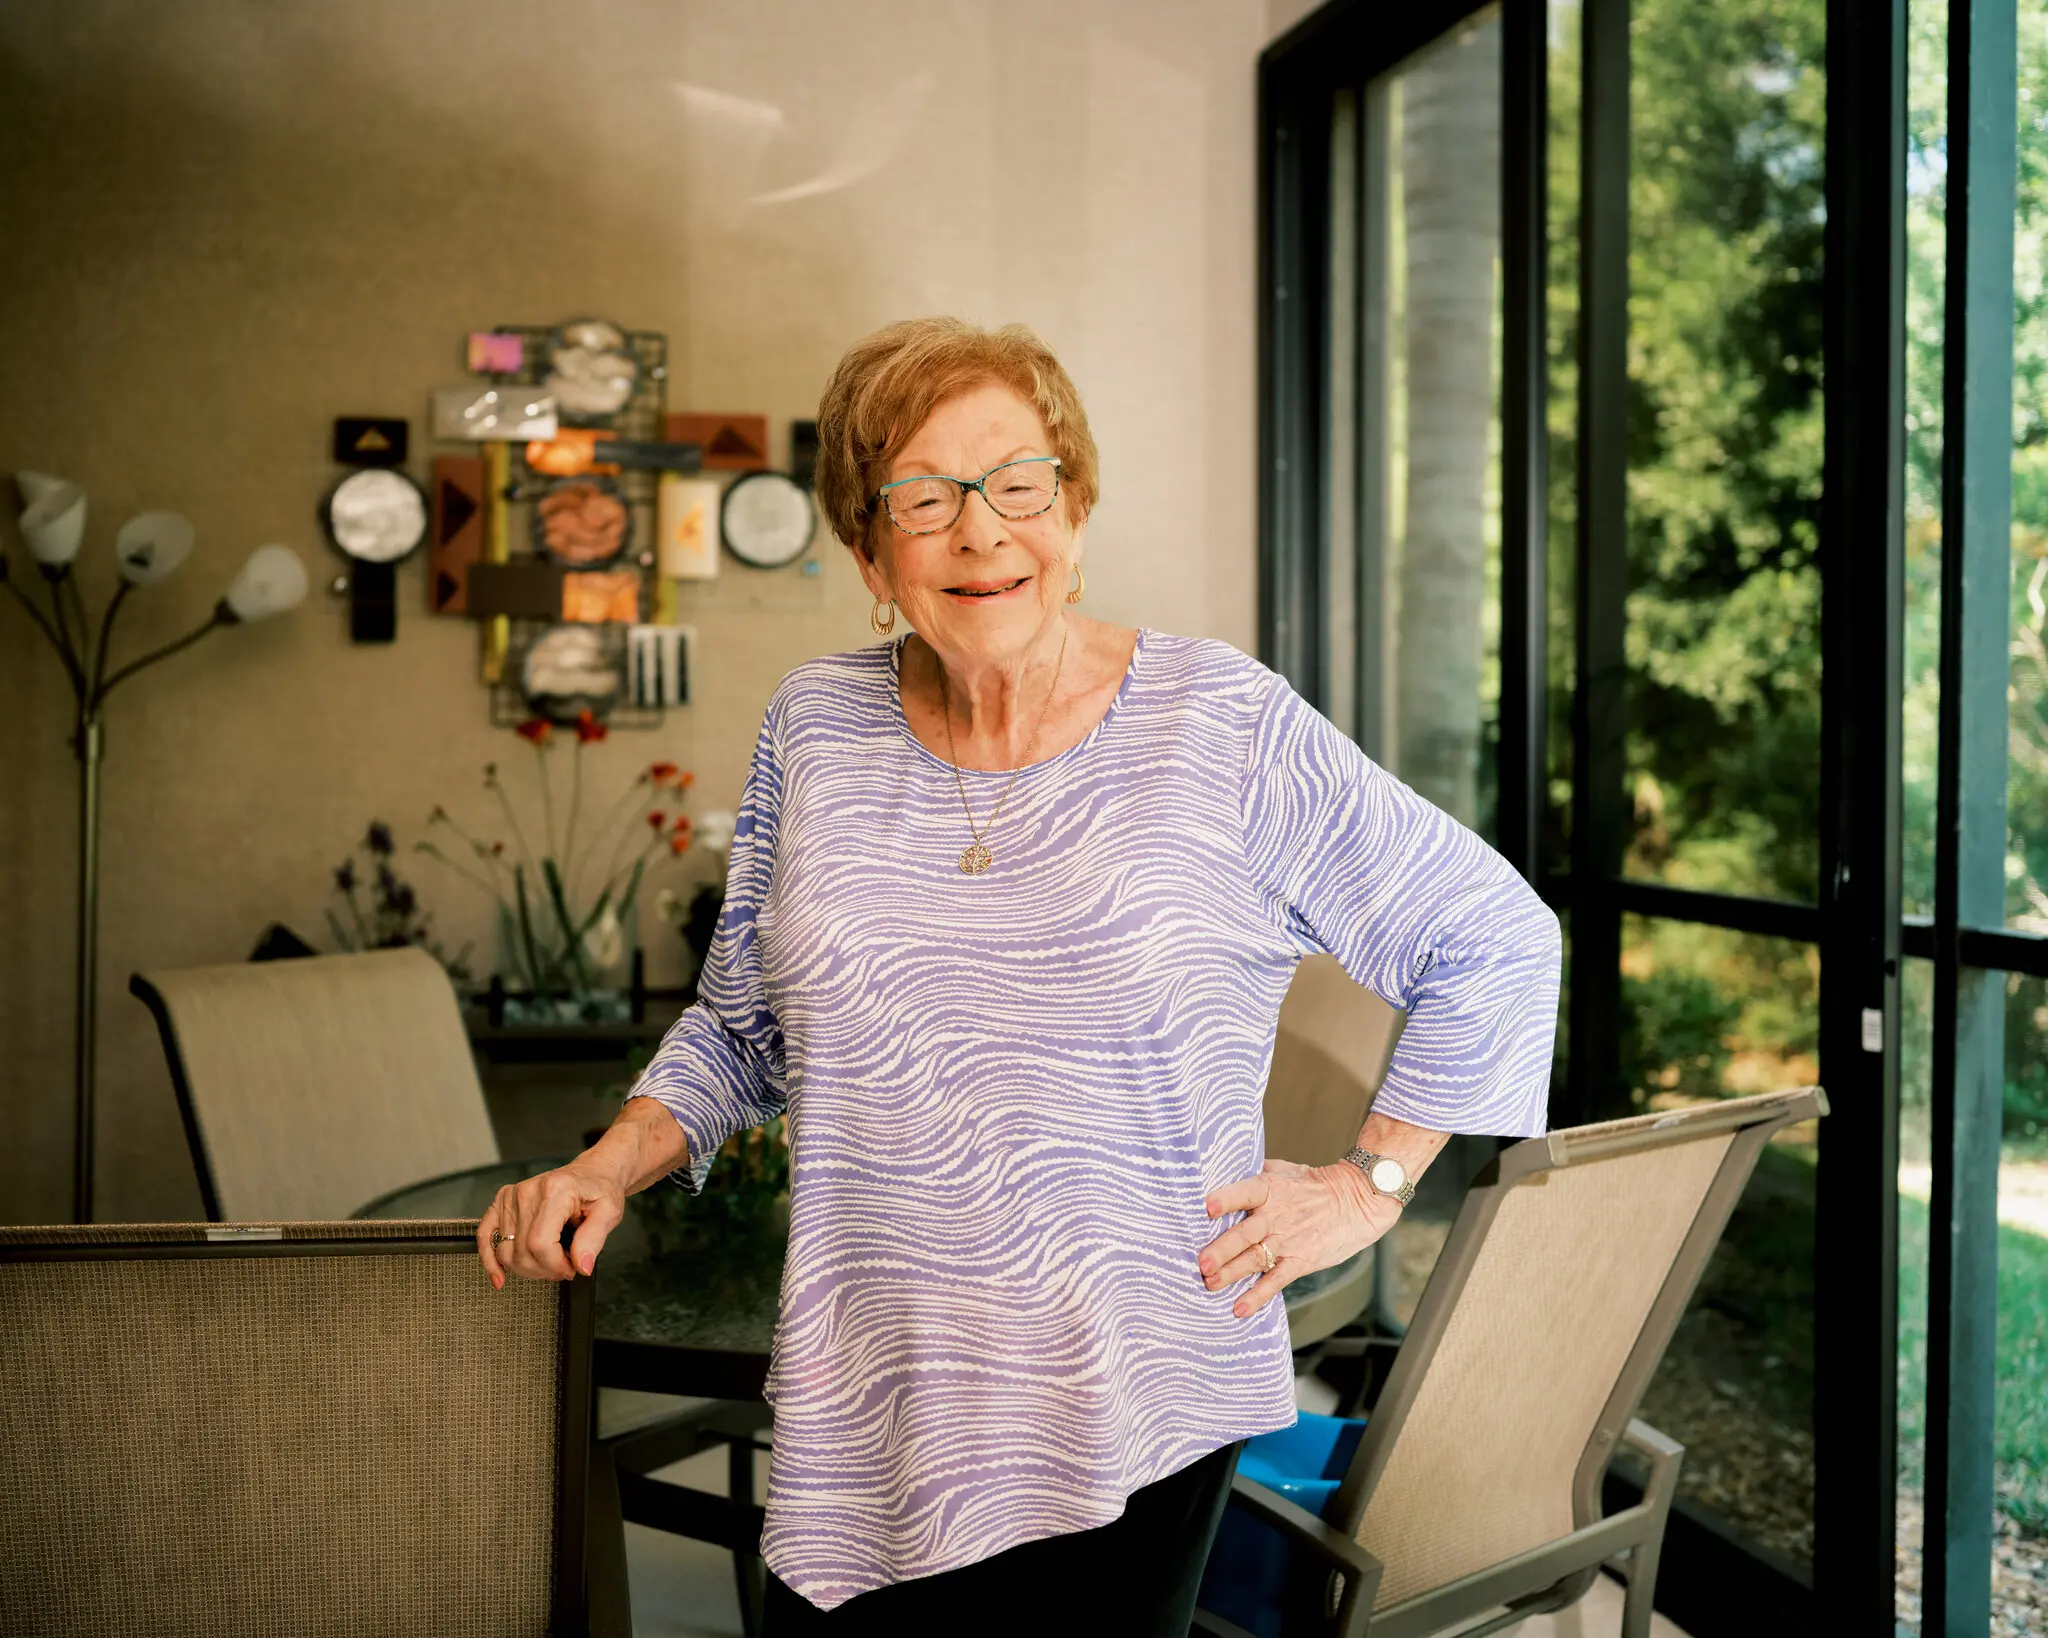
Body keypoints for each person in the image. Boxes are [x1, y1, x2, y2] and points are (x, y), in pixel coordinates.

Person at [478, 317, 1561, 1635]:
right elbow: (742, 1023)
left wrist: (1368, 1184)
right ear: (871, 552)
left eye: (1017, 483)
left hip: (1135, 1397)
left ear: (1076, 507)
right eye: (923, 498)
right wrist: (606, 1166)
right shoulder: (815, 725)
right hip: (868, 1387)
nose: (980, 532)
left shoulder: (1221, 723)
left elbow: (1493, 937)